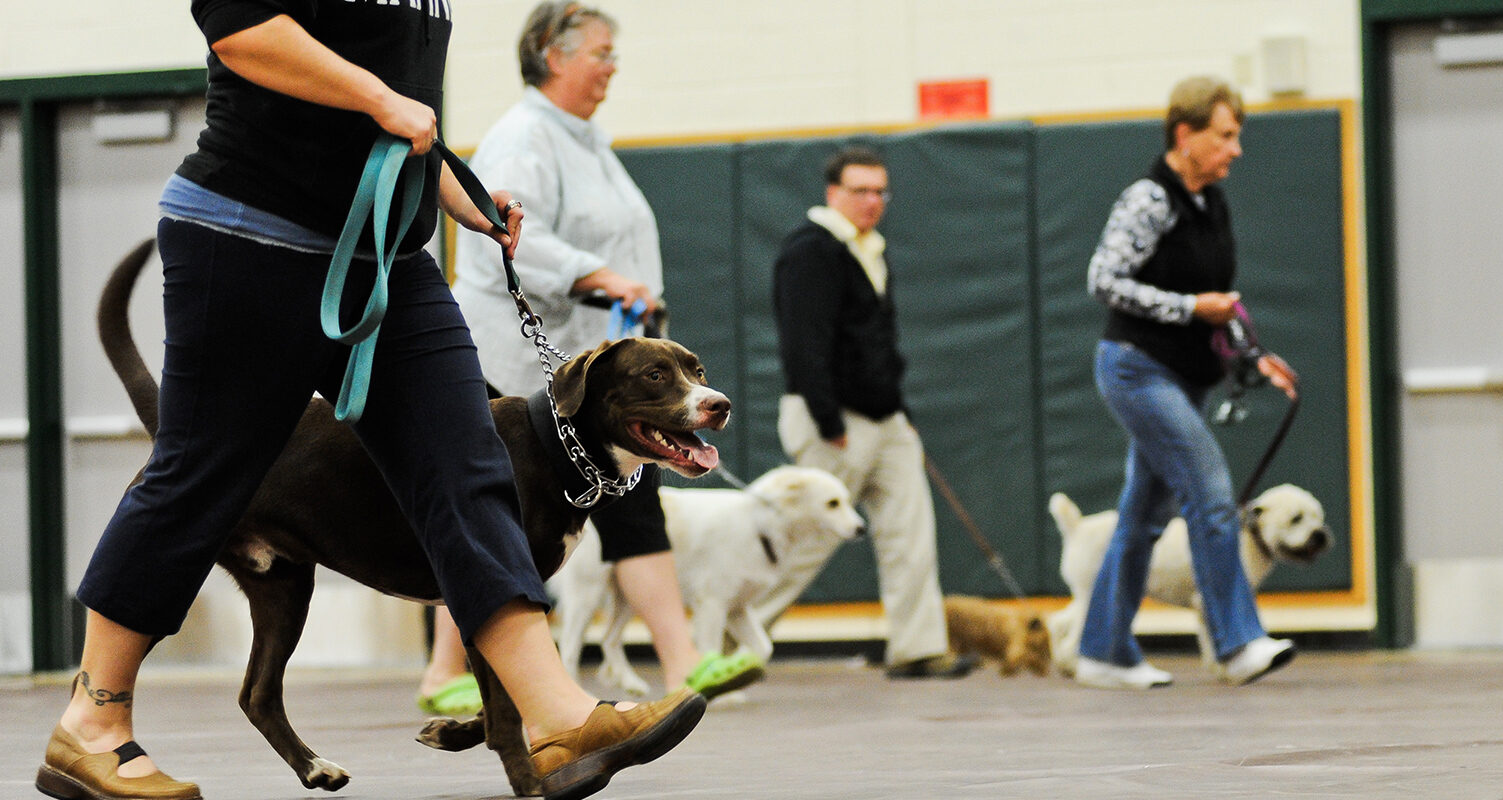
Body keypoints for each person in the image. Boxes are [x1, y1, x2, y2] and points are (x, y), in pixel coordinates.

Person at [35, 4, 704, 800]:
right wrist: (378, 99)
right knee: (198, 478)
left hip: (389, 255)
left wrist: (462, 193)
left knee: (470, 466)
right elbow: (242, 28)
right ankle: (93, 724)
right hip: (249, 239)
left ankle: (557, 717)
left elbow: (405, 101)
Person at [448, 2, 762, 702]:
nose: (612, 67)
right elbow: (506, 235)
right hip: (521, 364)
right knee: (492, 511)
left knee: (622, 497)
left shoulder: (587, 141)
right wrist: (599, 276)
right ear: (553, 56)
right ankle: (453, 671)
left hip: (598, 366)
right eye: (601, 53)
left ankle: (683, 662)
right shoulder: (522, 136)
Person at [1075, 76, 1299, 690]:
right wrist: (1187, 307)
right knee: (1209, 488)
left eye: (1237, 137)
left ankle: (1103, 652)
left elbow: (1216, 305)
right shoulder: (1150, 198)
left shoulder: (1210, 201)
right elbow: (1104, 279)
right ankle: (1238, 643)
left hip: (1186, 374)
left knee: (1143, 518)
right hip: (1136, 367)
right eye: (1224, 136)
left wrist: (1255, 358)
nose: (1236, 149)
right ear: (1185, 135)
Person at [757, 146, 978, 680]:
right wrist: (830, 423)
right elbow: (803, 345)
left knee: (910, 532)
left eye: (880, 191)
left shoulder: (869, 249)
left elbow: (876, 342)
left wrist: (897, 413)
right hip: (834, 424)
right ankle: (728, 641)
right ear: (834, 193)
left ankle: (918, 647)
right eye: (861, 190)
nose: (872, 201)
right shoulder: (810, 251)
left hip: (885, 421)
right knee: (806, 541)